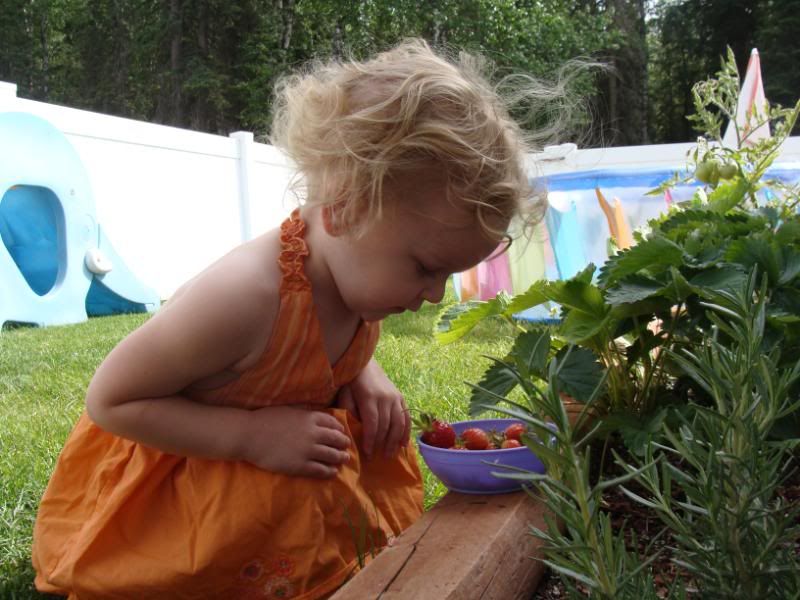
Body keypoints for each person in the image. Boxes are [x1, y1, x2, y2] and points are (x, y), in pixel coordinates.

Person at [32, 38, 539, 599]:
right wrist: (247, 435)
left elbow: (313, 348)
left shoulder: (354, 273)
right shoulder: (244, 295)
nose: (434, 294)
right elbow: (112, 400)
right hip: (185, 514)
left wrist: (361, 372)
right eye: (424, 267)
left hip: (277, 505)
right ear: (347, 209)